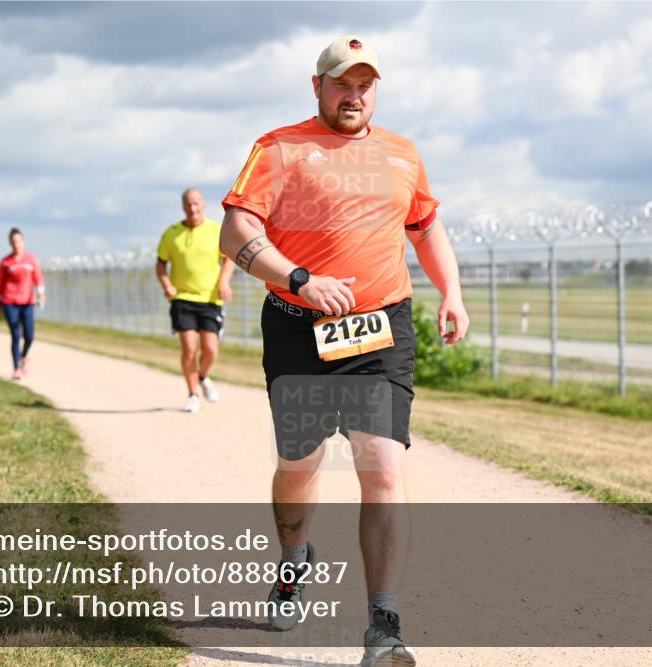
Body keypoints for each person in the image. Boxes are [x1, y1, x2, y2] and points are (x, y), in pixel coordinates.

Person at [219, 35, 469, 666]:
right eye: (341, 83)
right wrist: (300, 278)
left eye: (365, 85)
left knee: (381, 467)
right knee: (300, 466)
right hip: (298, 327)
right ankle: (293, 561)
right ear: (318, 86)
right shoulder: (279, 148)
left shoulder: (402, 154)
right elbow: (235, 230)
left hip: (379, 330)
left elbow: (426, 226)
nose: (353, 95)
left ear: (376, 89)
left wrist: (452, 292)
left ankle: (384, 627)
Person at [156, 188, 235, 413]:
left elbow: (228, 260)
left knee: (210, 349)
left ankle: (203, 376)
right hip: (182, 299)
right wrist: (167, 284)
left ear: (203, 205)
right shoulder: (171, 234)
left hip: (210, 300)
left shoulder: (215, 230)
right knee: (189, 347)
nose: (192, 208)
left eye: (196, 203)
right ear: (183, 206)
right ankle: (192, 394)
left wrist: (224, 283)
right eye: (188, 204)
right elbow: (160, 264)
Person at [0, 228, 45, 380]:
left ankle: (24, 356)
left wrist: (41, 292)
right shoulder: (6, 262)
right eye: (14, 242)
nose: (17, 244)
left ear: (23, 241)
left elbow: (38, 277)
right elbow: (0, 284)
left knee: (29, 335)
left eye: (19, 241)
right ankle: (16, 368)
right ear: (10, 243)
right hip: (10, 301)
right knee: (16, 334)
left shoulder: (31, 259)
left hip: (28, 301)